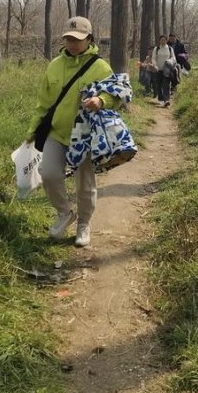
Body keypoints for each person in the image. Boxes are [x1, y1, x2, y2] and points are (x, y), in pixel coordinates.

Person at [25, 16, 118, 247]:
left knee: (85, 184)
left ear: (89, 38)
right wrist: (32, 130)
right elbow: (44, 103)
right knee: (48, 173)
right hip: (57, 133)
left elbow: (116, 95)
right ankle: (65, 213)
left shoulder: (100, 67)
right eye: (68, 39)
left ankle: (84, 224)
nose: (73, 43)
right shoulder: (55, 65)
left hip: (85, 136)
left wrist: (101, 100)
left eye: (78, 39)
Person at [152, 34, 176, 107]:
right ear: (159, 41)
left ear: (166, 40)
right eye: (161, 40)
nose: (163, 41)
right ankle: (161, 99)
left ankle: (166, 100)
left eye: (164, 40)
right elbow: (153, 58)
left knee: (166, 85)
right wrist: (155, 66)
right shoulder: (156, 49)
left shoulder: (169, 48)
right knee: (159, 85)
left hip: (167, 70)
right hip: (158, 69)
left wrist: (169, 61)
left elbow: (173, 58)